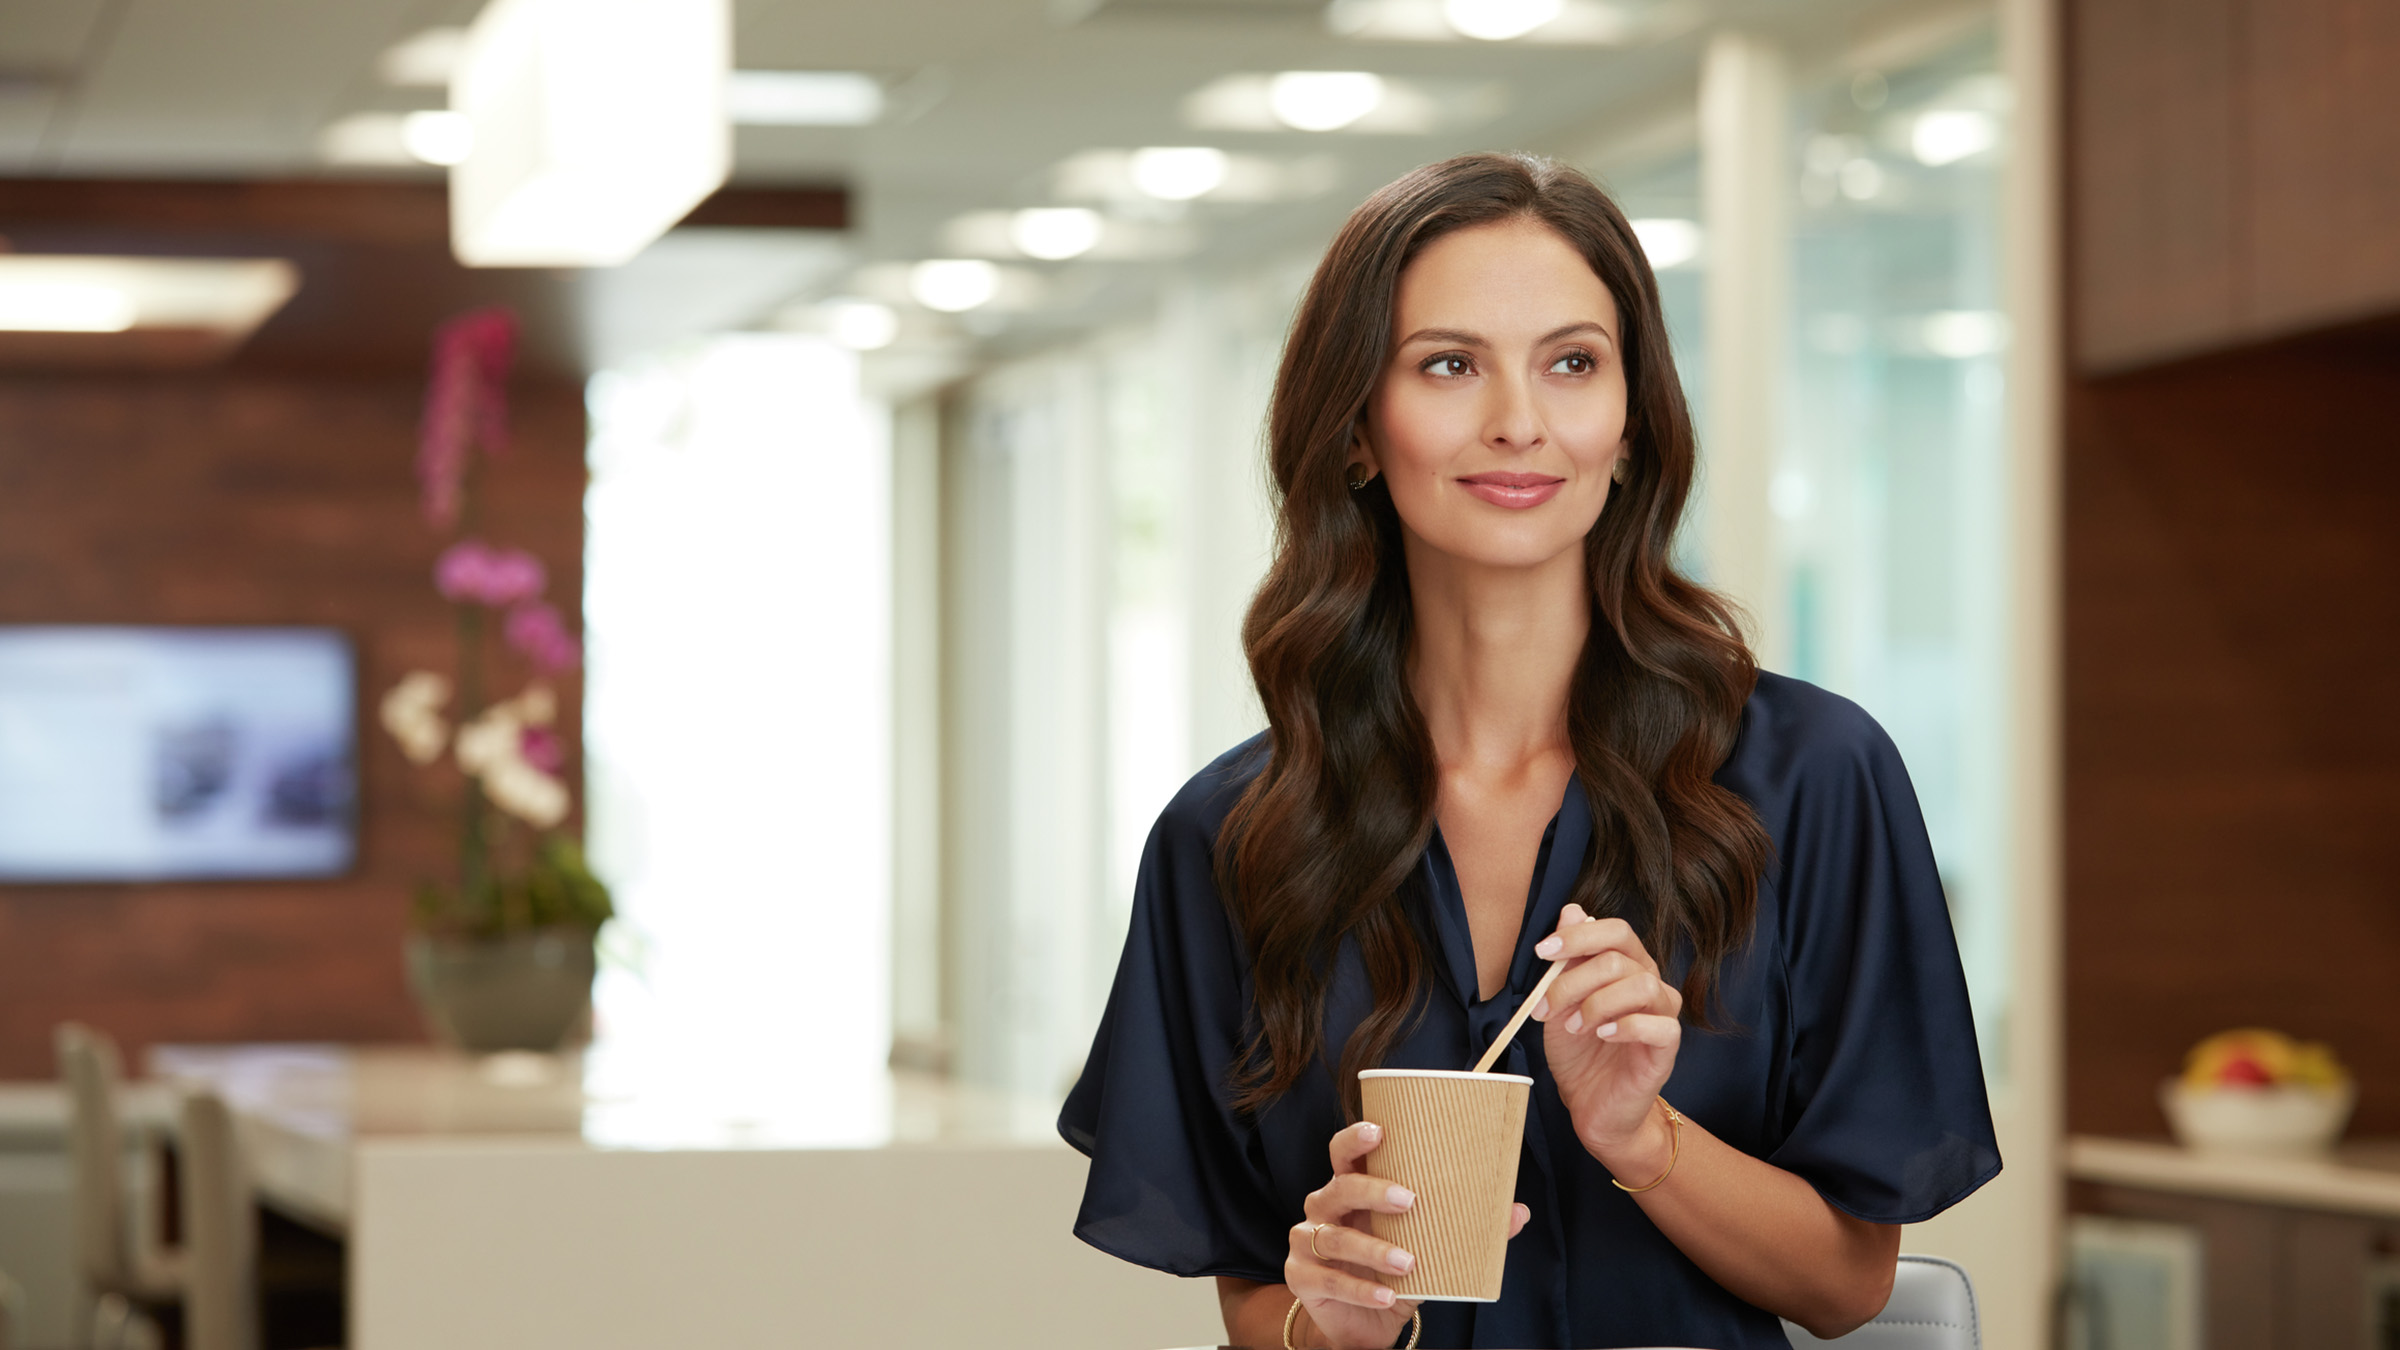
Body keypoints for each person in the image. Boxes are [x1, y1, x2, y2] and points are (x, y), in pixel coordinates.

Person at [1058, 152, 1999, 1350]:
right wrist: (1326, 1319)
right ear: (1356, 428)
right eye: (1449, 365)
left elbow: (1848, 1285)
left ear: (1627, 426)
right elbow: (1259, 1303)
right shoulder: (1236, 836)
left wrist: (1641, 1141)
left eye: (1572, 363)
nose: (1519, 421)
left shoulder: (1811, 776)